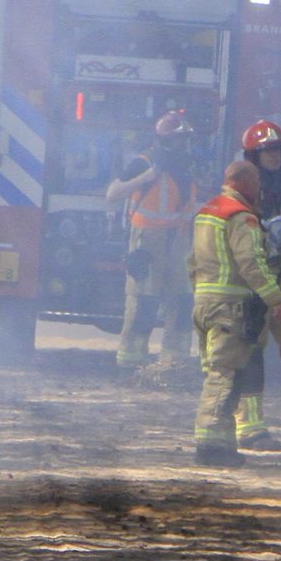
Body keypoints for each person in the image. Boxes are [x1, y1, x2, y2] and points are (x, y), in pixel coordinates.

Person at [188, 160, 281, 467]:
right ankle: (209, 447)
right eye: (257, 181)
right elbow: (251, 264)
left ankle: (224, 444)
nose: (260, 188)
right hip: (229, 310)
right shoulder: (241, 217)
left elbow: (192, 262)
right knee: (225, 377)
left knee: (218, 372)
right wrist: (276, 299)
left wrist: (202, 295)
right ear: (244, 182)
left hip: (205, 305)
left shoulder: (207, 212)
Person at [234, 121, 281, 453]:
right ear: (254, 156)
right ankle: (250, 426)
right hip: (256, 283)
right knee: (250, 350)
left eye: (277, 151)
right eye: (266, 152)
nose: (273, 157)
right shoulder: (243, 189)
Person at [106, 110, 198, 369]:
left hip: (179, 240)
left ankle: (174, 363)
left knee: (181, 301)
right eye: (181, 139)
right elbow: (112, 194)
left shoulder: (187, 167)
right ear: (166, 140)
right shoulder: (145, 162)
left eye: (186, 139)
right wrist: (146, 177)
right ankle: (130, 363)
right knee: (143, 303)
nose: (185, 145)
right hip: (147, 241)